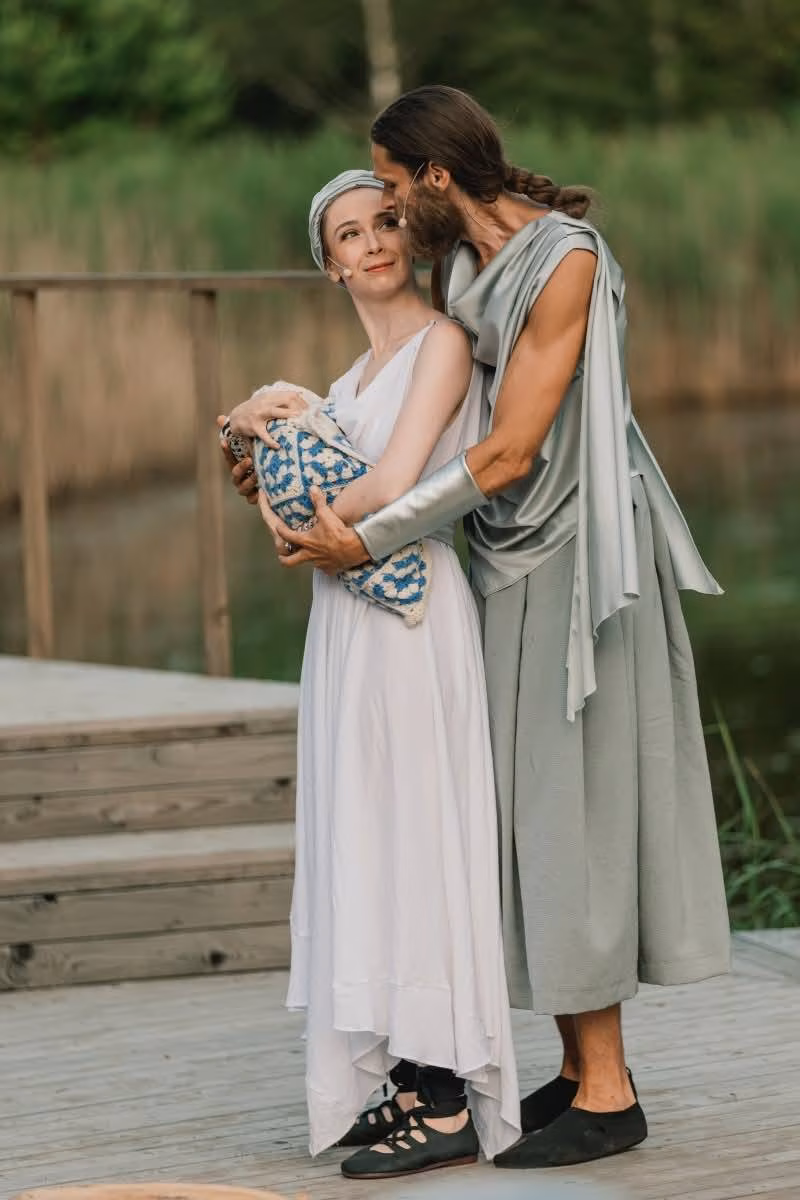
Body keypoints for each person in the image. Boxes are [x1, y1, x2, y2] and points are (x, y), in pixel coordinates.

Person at [228, 87, 731, 1170]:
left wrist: (363, 542)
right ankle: (576, 1070)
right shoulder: (460, 263)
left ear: (436, 177)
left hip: (579, 557)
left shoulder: (565, 262)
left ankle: (608, 1092)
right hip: (497, 555)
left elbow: (506, 453)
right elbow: (415, 424)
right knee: (518, 818)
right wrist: (262, 444)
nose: (385, 217)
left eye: (391, 189)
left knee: (569, 809)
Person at [222, 168, 520, 1179]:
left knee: (418, 831)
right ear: (330, 264)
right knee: (365, 834)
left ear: (410, 232)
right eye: (349, 234)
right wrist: (258, 441)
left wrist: (293, 485)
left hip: (414, 613)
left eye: (386, 221)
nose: (373, 242)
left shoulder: (443, 345)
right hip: (344, 620)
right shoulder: (347, 382)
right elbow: (305, 489)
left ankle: (447, 1094)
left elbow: (393, 484)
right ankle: (401, 1073)